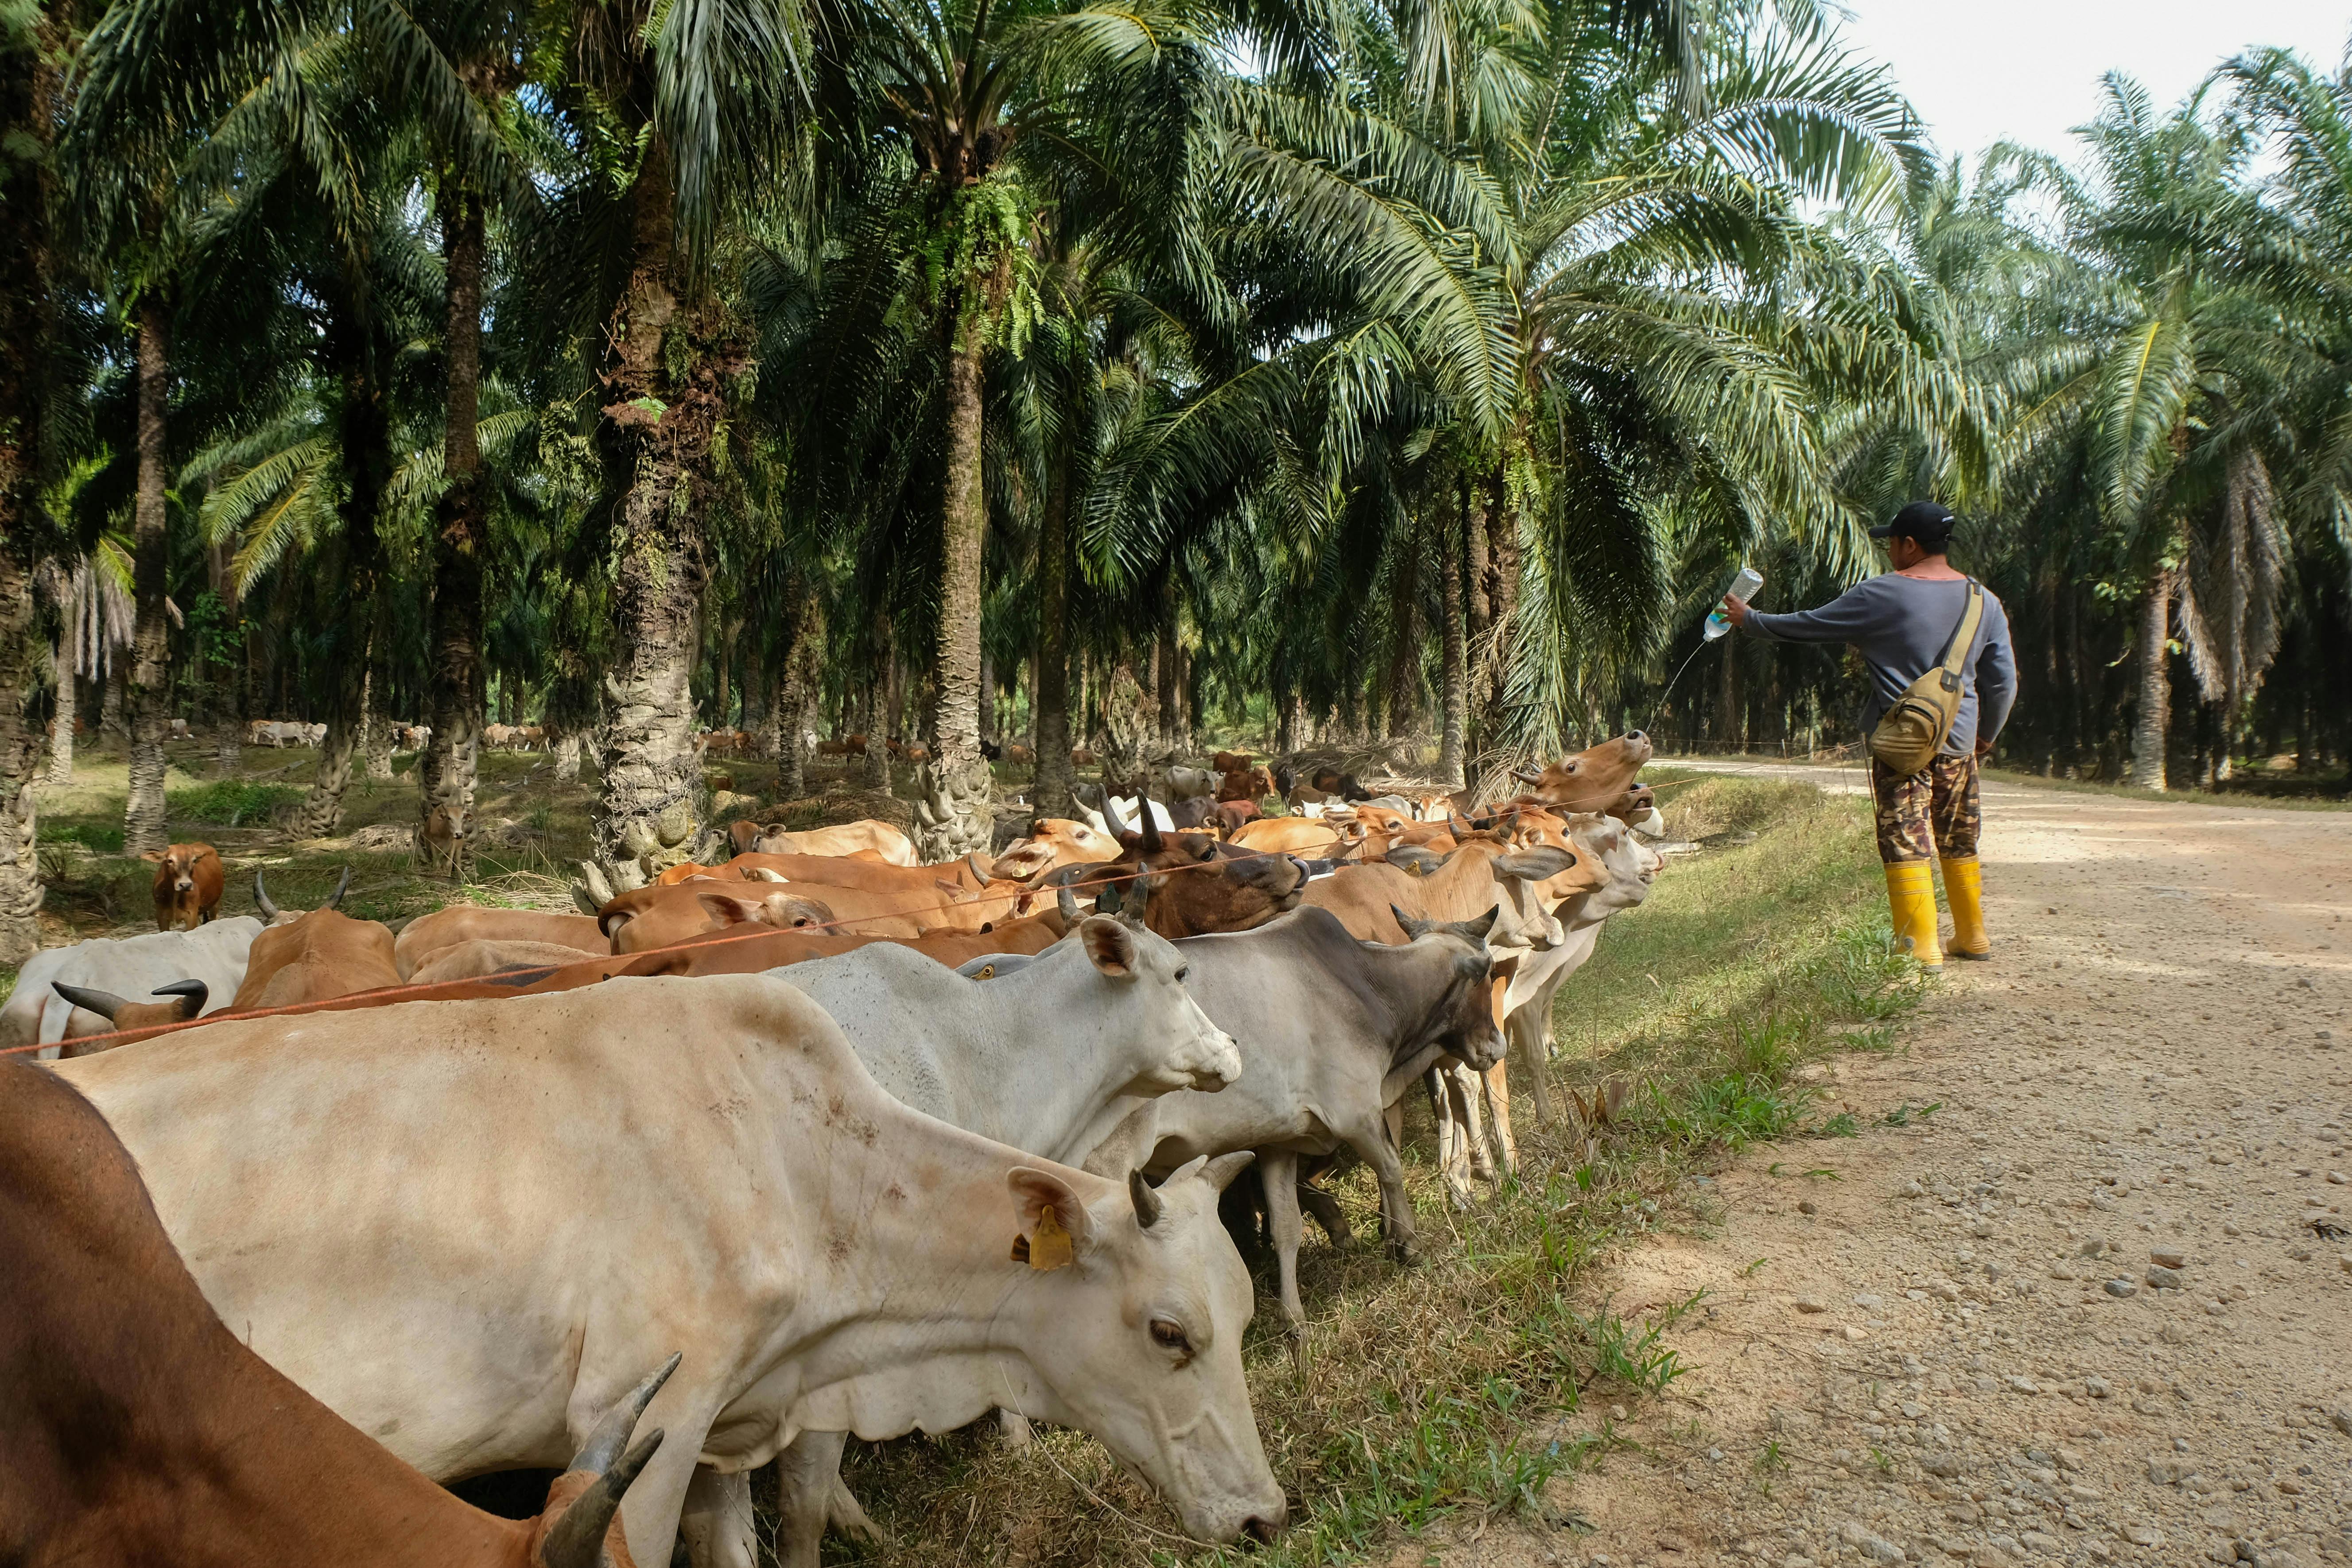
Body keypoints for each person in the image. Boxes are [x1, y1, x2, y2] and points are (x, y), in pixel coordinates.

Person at [1720, 501, 2016, 969]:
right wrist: (1986, 737)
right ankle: (1973, 936)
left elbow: (1809, 626)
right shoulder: (1985, 601)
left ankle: (1920, 949)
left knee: (1904, 834)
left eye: (1893, 543)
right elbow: (2003, 681)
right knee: (1958, 834)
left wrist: (1750, 620)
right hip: (1959, 740)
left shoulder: (1883, 594)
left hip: (1903, 744)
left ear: (1910, 545)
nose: (1891, 552)